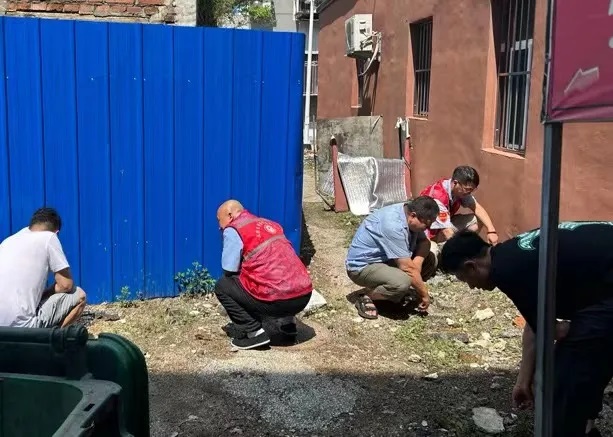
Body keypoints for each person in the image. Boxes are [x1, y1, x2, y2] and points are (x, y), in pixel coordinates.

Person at [439, 223, 613, 437]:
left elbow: (554, 331)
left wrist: (573, 328)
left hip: (606, 294)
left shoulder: (506, 272)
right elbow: (537, 323)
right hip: (603, 285)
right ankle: (585, 427)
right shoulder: (511, 254)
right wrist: (523, 380)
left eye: (465, 279)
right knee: (585, 356)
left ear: (472, 266)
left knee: (562, 379)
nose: (471, 287)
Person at [214, 199, 313, 350]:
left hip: (277, 301)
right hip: (304, 295)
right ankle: (288, 325)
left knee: (223, 285)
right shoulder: (271, 224)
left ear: (230, 215)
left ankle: (254, 334)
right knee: (279, 274)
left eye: (219, 220)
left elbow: (229, 269)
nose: (219, 227)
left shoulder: (234, 229)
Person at [345, 196, 440, 319]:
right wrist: (424, 294)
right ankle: (368, 296)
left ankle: (391, 291)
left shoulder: (407, 213)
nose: (428, 229)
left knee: (429, 260)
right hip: (362, 267)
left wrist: (416, 266)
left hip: (386, 259)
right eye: (426, 225)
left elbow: (424, 242)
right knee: (402, 282)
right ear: (413, 215)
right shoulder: (393, 225)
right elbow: (407, 268)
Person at [0, 207, 87, 328]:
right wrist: (46, 293)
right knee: (80, 295)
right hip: (22, 327)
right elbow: (66, 285)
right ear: (56, 232)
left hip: (2, 329)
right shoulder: (49, 237)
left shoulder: (8, 241)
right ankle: (53, 338)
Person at [419, 165, 499, 245]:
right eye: (467, 189)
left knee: (478, 219)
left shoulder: (460, 190)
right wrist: (460, 249)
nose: (469, 193)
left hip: (445, 224)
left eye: (472, 190)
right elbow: (446, 231)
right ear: (455, 183)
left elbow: (477, 208)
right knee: (435, 247)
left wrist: (491, 231)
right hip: (428, 234)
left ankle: (464, 244)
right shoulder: (438, 197)